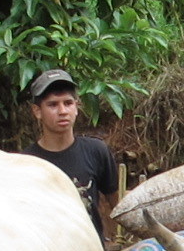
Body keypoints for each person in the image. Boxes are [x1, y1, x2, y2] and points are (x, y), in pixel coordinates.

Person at [19, 68, 116, 236]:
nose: (63, 111)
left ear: (76, 107)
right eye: (53, 105)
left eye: (68, 103)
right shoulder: (25, 163)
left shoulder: (96, 151)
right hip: (47, 250)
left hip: (90, 250)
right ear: (37, 111)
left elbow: (117, 204)